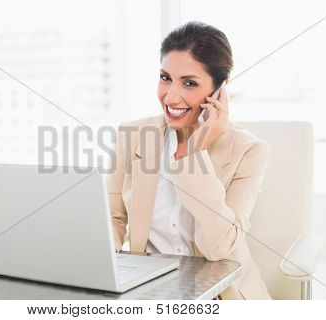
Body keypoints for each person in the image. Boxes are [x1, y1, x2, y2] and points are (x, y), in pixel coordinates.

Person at [107, 21, 271, 299]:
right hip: (148, 291)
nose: (171, 96)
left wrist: (194, 154)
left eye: (190, 83)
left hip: (219, 295)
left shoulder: (249, 151)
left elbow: (217, 247)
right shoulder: (131, 135)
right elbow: (112, 218)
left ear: (220, 90)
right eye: (165, 77)